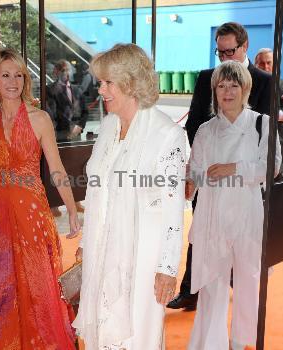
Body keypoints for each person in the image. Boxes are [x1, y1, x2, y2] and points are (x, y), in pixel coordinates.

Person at [0, 48, 81, 350]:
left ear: (26, 79)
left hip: (32, 214)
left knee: (37, 284)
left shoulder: (40, 119)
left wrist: (73, 211)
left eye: (19, 75)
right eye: (5, 75)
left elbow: (57, 169)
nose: (13, 81)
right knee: (0, 285)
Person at [72, 43, 186, 350]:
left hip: (144, 256)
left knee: (138, 336)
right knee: (103, 329)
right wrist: (86, 242)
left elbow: (174, 210)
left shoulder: (167, 135)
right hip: (102, 247)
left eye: (108, 82)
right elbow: (97, 188)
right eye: (101, 82)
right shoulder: (108, 127)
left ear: (131, 83)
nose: (101, 90)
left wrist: (167, 268)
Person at [168, 21, 272, 311]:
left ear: (245, 46)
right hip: (209, 175)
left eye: (230, 51)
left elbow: (266, 134)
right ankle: (191, 290)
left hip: (245, 182)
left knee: (242, 246)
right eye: (220, 52)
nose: (225, 57)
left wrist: (237, 165)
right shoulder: (205, 78)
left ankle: (242, 294)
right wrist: (205, 153)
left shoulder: (264, 81)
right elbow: (194, 123)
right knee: (202, 232)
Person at [187, 60, 281, 350]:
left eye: (234, 85)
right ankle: (211, 342)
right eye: (221, 86)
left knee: (248, 280)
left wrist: (233, 168)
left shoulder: (261, 124)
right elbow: (195, 171)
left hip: (246, 213)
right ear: (214, 90)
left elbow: (272, 167)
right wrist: (191, 178)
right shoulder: (205, 129)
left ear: (246, 89)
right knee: (211, 281)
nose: (227, 92)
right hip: (212, 215)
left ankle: (242, 340)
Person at [254, 47, 283, 181]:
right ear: (256, 65)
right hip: (255, 145)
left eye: (269, 63)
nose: (266, 66)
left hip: (279, 143)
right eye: (262, 63)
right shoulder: (249, 85)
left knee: (279, 185)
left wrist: (280, 114)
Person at [46, 59, 88, 142]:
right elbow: (53, 113)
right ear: (56, 72)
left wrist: (79, 126)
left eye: (69, 70)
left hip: (76, 134)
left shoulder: (77, 89)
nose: (67, 73)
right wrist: (69, 128)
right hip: (61, 134)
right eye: (63, 70)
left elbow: (85, 111)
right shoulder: (50, 89)